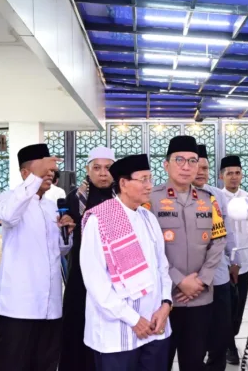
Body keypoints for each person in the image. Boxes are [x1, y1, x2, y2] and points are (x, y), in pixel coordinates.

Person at [81, 154, 173, 371]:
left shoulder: (148, 218)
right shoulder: (99, 220)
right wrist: (133, 319)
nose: (149, 186)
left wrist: (166, 305)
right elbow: (96, 282)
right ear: (123, 183)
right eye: (143, 180)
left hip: (155, 325)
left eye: (150, 178)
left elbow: (162, 266)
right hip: (117, 332)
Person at [145, 135, 227, 371]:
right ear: (166, 164)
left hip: (200, 296)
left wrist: (201, 280)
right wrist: (180, 281)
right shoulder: (150, 199)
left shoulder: (209, 200)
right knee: (159, 361)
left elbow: (219, 241)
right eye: (179, 160)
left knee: (194, 360)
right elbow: (146, 247)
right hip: (162, 298)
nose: (186, 166)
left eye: (192, 161)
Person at [0, 143, 75, 371]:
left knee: (46, 364)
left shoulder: (51, 206)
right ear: (25, 173)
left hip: (51, 305)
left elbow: (59, 250)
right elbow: (8, 216)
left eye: (51, 172)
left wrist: (67, 234)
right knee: (12, 365)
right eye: (43, 171)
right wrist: (35, 179)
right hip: (19, 306)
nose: (50, 176)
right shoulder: (8, 199)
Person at [60, 146, 116, 371]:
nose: (103, 173)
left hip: (115, 274)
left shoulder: (122, 196)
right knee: (77, 325)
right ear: (87, 169)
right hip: (81, 275)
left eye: (108, 168)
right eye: (97, 168)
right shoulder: (76, 198)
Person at [194, 145, 239, 371]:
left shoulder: (217, 195)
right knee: (195, 332)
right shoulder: (173, 196)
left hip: (219, 273)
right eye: (197, 167)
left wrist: (234, 260)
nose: (201, 172)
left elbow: (227, 231)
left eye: (205, 168)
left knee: (221, 328)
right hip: (191, 277)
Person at [219, 155, 248, 365]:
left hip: (245, 263)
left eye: (237, 173)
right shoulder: (216, 199)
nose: (233, 177)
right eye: (229, 173)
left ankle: (231, 338)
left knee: (239, 308)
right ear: (221, 176)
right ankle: (229, 346)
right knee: (226, 308)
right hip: (223, 264)